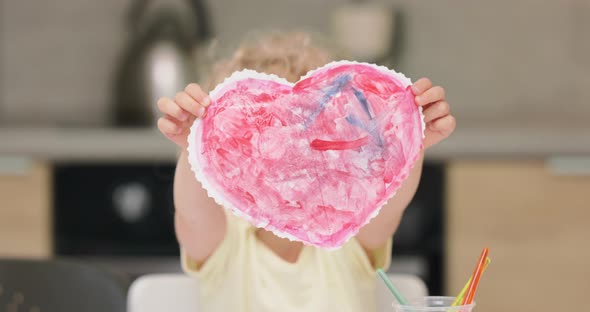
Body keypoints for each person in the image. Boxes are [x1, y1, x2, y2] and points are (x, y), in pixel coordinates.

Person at [156, 32, 455, 312]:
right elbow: (194, 217)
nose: (290, 154)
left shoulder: (349, 237)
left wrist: (410, 141)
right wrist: (193, 146)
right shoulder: (224, 246)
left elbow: (389, 202)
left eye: (309, 133)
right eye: (265, 136)